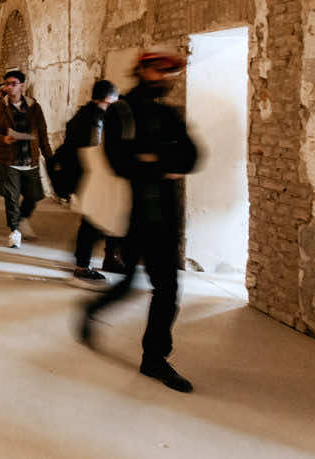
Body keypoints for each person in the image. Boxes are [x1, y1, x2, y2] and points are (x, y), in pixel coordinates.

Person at [80, 52, 199, 393]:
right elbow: (119, 161)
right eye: (160, 70)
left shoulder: (168, 113)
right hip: (136, 212)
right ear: (143, 70)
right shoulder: (123, 110)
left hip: (165, 213)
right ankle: (93, 309)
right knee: (130, 281)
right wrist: (164, 163)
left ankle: (154, 358)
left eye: (170, 72)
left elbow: (192, 156)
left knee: (166, 287)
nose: (166, 77)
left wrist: (150, 158)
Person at [0, 70, 54, 249]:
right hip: (9, 160)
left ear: (22, 85)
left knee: (34, 195)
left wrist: (49, 156)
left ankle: (22, 217)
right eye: (7, 84)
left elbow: (42, 133)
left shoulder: (34, 107)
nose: (9, 87)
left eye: (13, 83)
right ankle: (14, 231)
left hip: (30, 159)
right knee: (11, 197)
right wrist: (3, 139)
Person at [64, 79, 122, 288]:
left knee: (97, 218)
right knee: (92, 221)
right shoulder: (96, 119)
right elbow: (94, 152)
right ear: (108, 99)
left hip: (84, 177)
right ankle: (82, 266)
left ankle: (106, 258)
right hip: (92, 177)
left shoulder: (83, 115)